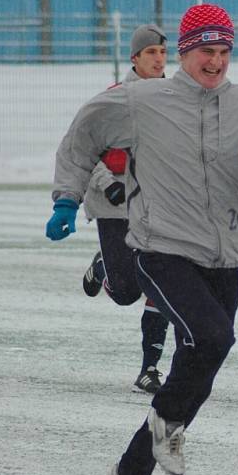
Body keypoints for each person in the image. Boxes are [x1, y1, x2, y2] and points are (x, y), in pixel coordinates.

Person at [45, 3, 238, 475]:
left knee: (196, 370)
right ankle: (165, 429)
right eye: (204, 52)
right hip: (160, 248)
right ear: (185, 53)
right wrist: (66, 199)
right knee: (213, 339)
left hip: (226, 256)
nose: (215, 63)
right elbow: (83, 136)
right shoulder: (140, 101)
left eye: (223, 52)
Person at [81, 23, 172, 395]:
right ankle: (103, 265)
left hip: (157, 207)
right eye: (151, 52)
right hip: (114, 205)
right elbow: (85, 150)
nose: (159, 59)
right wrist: (112, 186)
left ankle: (149, 369)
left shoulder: (175, 99)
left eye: (164, 53)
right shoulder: (114, 100)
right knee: (125, 293)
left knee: (163, 281)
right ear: (135, 58)